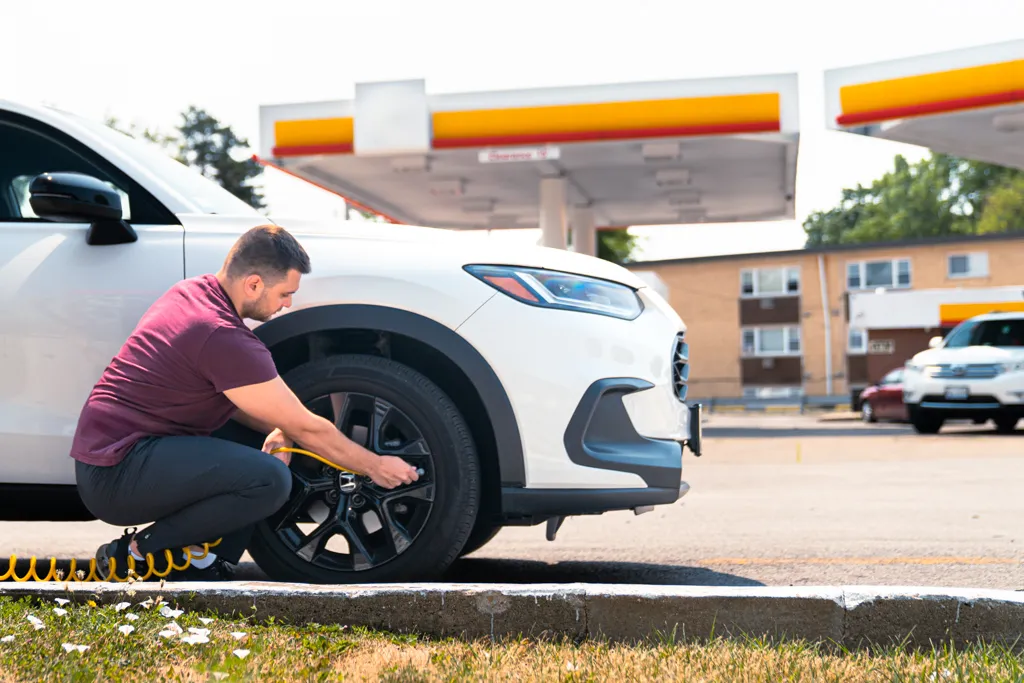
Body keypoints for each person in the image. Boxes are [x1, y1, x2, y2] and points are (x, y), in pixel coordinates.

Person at [70, 224, 419, 581]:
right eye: (285, 293)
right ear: (253, 284)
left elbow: (246, 403)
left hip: (117, 455)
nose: (288, 304)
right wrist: (374, 466)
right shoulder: (220, 335)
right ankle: (138, 553)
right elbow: (308, 428)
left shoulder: (193, 292)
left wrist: (281, 428)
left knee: (264, 443)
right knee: (269, 479)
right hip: (117, 471)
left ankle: (203, 561)